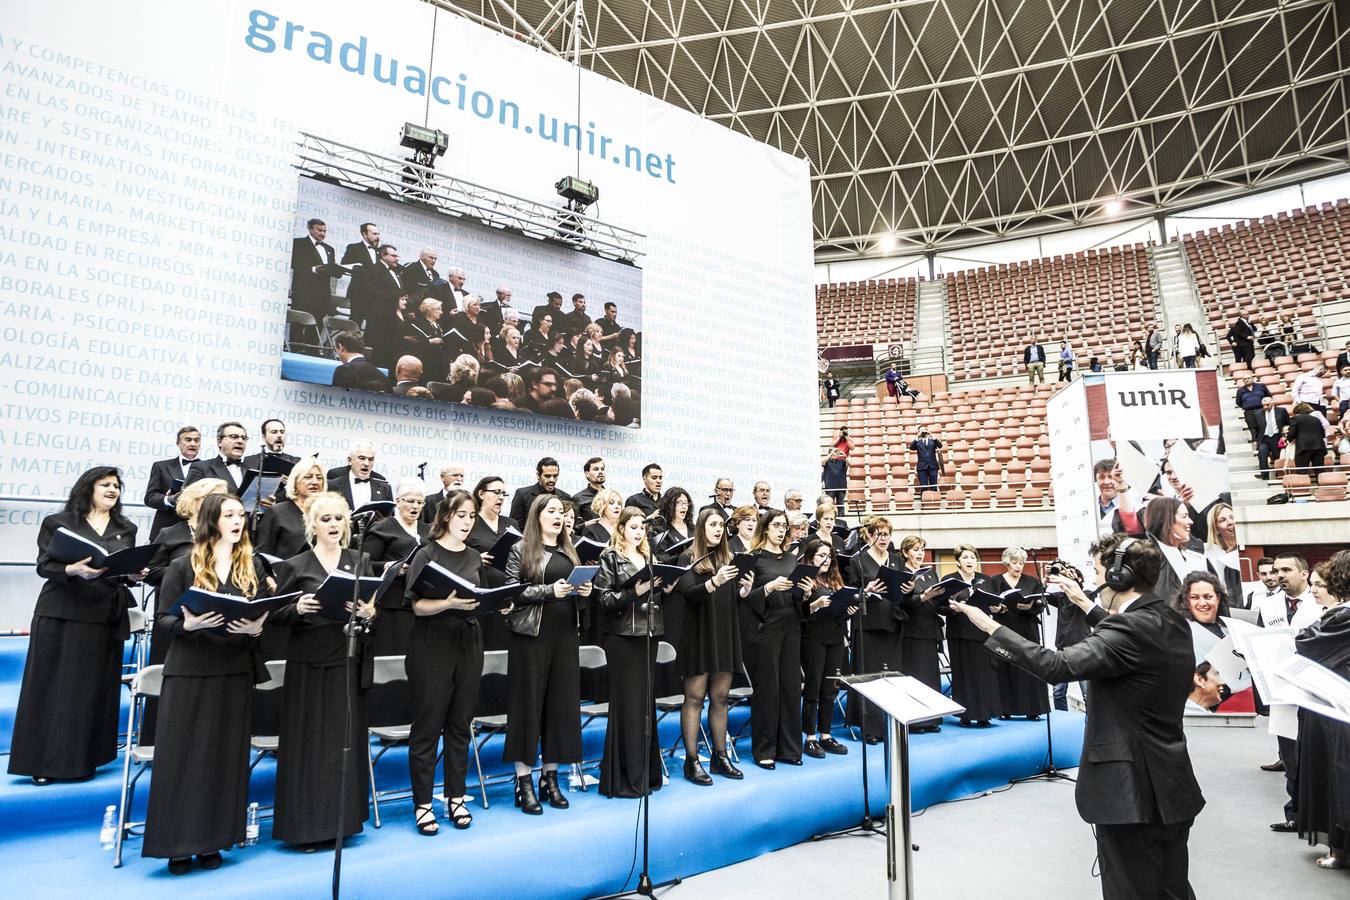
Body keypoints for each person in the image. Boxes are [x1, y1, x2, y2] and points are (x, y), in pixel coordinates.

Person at [950, 533, 1205, 900]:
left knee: (1131, 891)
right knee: (1172, 887)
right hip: (1172, 784)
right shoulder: (1168, 620)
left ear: (1120, 578)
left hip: (1131, 793)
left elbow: (1056, 665)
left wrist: (989, 626)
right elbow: (1127, 636)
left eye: (1100, 571)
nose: (1098, 579)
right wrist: (1084, 601)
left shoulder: (1128, 631)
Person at [142, 494, 269, 874]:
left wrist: (258, 627)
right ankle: (178, 844)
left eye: (241, 515)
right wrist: (187, 625)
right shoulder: (184, 565)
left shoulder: (252, 567)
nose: (237, 521)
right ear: (211, 520)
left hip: (234, 670)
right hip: (191, 670)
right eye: (229, 514)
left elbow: (263, 612)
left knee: (225, 757)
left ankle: (215, 839)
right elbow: (162, 621)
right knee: (184, 756)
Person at [8, 466, 147, 784]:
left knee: (91, 690)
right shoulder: (58, 523)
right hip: (63, 612)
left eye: (117, 486)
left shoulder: (125, 527)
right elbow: (45, 566)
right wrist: (71, 568)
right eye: (106, 484)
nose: (113, 490)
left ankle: (85, 758)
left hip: (103, 616)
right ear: (88, 488)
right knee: (53, 689)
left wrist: (134, 574)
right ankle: (43, 764)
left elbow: (120, 568)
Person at [271, 493, 376, 849]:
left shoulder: (360, 560)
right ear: (312, 524)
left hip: (347, 660)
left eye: (338, 519)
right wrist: (297, 607)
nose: (333, 525)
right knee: (311, 746)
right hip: (309, 664)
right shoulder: (295, 565)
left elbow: (373, 611)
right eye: (326, 519)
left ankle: (343, 823)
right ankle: (307, 828)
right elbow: (274, 617)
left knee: (344, 746)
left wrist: (368, 614)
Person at [402, 489, 489, 834]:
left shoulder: (474, 557)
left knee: (459, 725)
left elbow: (478, 598)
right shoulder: (427, 554)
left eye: (472, 516)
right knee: (427, 727)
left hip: (468, 640)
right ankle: (423, 803)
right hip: (431, 644)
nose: (467, 522)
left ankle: (456, 797)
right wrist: (447, 605)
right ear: (446, 517)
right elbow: (417, 606)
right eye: (462, 515)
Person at [503, 495, 592, 814]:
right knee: (528, 708)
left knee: (560, 709)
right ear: (537, 516)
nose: (559, 516)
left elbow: (575, 589)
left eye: (561, 512)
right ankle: (523, 782)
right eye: (552, 511)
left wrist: (584, 590)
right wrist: (547, 591)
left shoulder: (570, 550)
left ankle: (549, 777)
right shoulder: (521, 549)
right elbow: (512, 591)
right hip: (531, 638)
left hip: (565, 636)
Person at [593, 508, 668, 798]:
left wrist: (666, 585)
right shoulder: (610, 557)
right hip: (623, 638)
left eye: (642, 528)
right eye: (633, 527)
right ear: (621, 528)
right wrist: (635, 592)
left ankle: (645, 774)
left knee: (645, 705)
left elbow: (655, 596)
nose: (639, 532)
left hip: (648, 635)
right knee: (628, 706)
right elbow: (603, 599)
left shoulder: (649, 558)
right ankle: (624, 778)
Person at [676, 509, 747, 784]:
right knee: (694, 699)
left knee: (720, 699)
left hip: (725, 633)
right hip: (697, 634)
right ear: (701, 528)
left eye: (721, 525)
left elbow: (734, 601)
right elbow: (688, 595)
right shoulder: (688, 557)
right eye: (713, 524)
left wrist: (742, 591)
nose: (718, 529)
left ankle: (720, 756)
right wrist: (714, 581)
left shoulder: (729, 558)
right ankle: (691, 761)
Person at [1293, 552, 1350, 870]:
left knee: (1336, 776)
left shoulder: (1342, 615)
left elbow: (1304, 644)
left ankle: (1339, 852)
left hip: (1334, 705)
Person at [744, 509, 805, 768]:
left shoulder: (792, 558)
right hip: (767, 626)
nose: (782, 530)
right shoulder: (754, 558)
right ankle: (765, 749)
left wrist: (806, 590)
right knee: (768, 690)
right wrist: (768, 587)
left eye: (784, 526)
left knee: (791, 688)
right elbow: (745, 597)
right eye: (777, 525)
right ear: (765, 528)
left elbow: (798, 597)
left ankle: (790, 749)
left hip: (792, 625)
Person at [845, 516, 906, 742]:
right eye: (879, 534)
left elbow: (901, 592)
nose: (883, 538)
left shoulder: (897, 560)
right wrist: (866, 590)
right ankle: (871, 728)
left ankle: (891, 724)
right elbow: (851, 594)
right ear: (869, 535)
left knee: (890, 676)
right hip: (868, 624)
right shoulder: (858, 560)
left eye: (887, 534)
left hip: (891, 623)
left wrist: (906, 588)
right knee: (869, 677)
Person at [798, 537, 854, 758]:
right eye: (821, 555)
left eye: (829, 556)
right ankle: (810, 737)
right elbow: (799, 611)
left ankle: (825, 734)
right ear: (810, 558)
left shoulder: (835, 581)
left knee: (830, 688)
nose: (826, 560)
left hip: (835, 637)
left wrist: (847, 610)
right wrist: (815, 604)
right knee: (813, 688)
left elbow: (839, 609)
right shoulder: (806, 581)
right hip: (813, 638)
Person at [363, 478, 430, 657]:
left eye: (420, 502)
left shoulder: (428, 531)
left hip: (423, 603)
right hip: (393, 604)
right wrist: (389, 566)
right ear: (398, 502)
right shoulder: (383, 528)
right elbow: (364, 563)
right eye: (410, 501)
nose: (415, 506)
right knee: (395, 656)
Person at [938, 543, 1002, 727]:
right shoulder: (950, 579)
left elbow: (994, 603)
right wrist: (953, 608)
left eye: (972, 557)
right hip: (959, 633)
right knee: (964, 674)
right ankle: (965, 715)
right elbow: (941, 606)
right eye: (965, 557)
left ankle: (984, 715)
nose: (970, 561)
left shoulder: (985, 580)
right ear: (958, 561)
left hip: (982, 632)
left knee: (984, 675)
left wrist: (997, 607)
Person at [990, 547, 1049, 721]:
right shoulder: (995, 581)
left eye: (1021, 563)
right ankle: (1005, 708)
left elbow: (1040, 604)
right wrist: (999, 608)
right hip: (1004, 628)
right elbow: (991, 602)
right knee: (1005, 667)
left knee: (1029, 665)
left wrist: (1030, 607)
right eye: (1014, 562)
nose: (1018, 566)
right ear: (1007, 563)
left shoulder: (1032, 581)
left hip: (1027, 628)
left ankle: (1033, 708)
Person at [896, 534, 944, 732]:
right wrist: (923, 597)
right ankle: (916, 721)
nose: (920, 554)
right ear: (906, 552)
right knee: (915, 676)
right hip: (911, 628)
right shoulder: (902, 573)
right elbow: (902, 601)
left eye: (922, 550)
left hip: (930, 627)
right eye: (916, 550)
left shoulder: (930, 573)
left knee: (931, 676)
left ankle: (932, 719)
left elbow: (938, 596)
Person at [254, 457, 326, 560]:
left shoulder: (328, 512)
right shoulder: (277, 512)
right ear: (295, 482)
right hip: (284, 573)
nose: (315, 482)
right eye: (308, 477)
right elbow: (262, 553)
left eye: (319, 477)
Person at [144, 425, 203, 538]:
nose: (193, 444)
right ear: (178, 443)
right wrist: (169, 500)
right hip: (165, 528)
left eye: (197, 440)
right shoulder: (161, 466)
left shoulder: (208, 468)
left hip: (197, 531)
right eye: (188, 439)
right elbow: (150, 497)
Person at [291, 217, 339, 318]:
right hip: (303, 294)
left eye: (324, 231)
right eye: (319, 230)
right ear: (310, 229)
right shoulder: (298, 243)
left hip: (322, 297)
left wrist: (338, 270)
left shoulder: (330, 249)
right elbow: (295, 264)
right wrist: (314, 269)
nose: (323, 234)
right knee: (297, 328)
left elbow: (331, 269)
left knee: (316, 329)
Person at [328, 439, 392, 512]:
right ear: (350, 460)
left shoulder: (384, 488)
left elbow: (389, 518)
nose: (366, 463)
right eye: (362, 458)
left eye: (370, 459)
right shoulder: (332, 485)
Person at [184, 421, 250, 492]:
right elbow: (186, 497)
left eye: (243, 438)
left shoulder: (251, 469)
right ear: (219, 442)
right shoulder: (201, 468)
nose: (240, 441)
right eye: (234, 437)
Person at [509, 456, 571, 522]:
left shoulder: (565, 497)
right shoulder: (522, 495)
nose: (552, 480)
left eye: (555, 476)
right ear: (538, 475)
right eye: (547, 476)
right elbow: (514, 526)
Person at [1171, 571, 1230, 639]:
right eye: (1194, 597)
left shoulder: (1230, 629)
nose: (1202, 603)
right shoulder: (1181, 633)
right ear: (1186, 600)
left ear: (1218, 598)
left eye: (1208, 597)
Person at [1287, 401, 1328, 479]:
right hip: (1319, 447)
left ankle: (1304, 490)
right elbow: (1323, 434)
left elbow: (1292, 433)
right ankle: (1322, 488)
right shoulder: (1316, 419)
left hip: (1303, 447)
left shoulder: (1296, 418)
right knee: (1320, 471)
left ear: (1297, 412)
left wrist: (1289, 439)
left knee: (1302, 471)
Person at [1254, 395, 1291, 478]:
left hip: (1277, 437)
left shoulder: (1281, 411)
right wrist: (1255, 440)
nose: (1265, 407)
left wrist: (1286, 436)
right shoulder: (1257, 414)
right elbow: (1255, 428)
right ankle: (1264, 475)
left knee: (1277, 455)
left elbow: (1288, 423)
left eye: (1267, 405)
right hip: (1264, 438)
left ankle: (1280, 473)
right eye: (1263, 405)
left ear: (1272, 403)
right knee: (1262, 454)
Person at [1236, 374, 1272, 444]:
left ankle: (1266, 441)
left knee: (1264, 425)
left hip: (1262, 409)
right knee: (1252, 428)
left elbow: (1268, 396)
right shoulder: (1240, 390)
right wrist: (1248, 406)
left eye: (1248, 378)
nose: (1247, 380)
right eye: (1245, 379)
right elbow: (1238, 402)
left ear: (1252, 378)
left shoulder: (1261, 386)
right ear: (1243, 381)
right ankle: (1256, 443)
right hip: (1249, 412)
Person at [571, 456, 607, 523]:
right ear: (587, 474)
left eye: (602, 469)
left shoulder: (611, 497)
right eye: (596, 469)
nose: (600, 472)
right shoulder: (578, 498)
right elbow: (574, 526)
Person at [909, 427, 942, 492]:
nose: (923, 431)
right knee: (923, 487)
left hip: (933, 466)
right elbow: (911, 447)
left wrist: (932, 435)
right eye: (921, 430)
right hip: (922, 467)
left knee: (934, 486)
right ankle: (924, 500)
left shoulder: (932, 440)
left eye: (924, 430)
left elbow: (940, 445)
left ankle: (934, 500)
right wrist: (917, 436)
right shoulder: (917, 442)